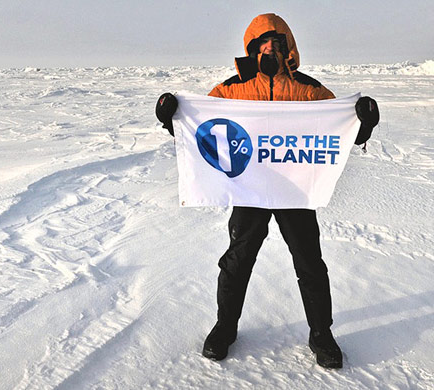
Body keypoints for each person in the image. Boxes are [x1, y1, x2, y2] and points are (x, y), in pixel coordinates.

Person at [155, 13, 380, 369]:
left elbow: (339, 133)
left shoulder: (310, 90)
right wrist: (172, 117)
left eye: (277, 42)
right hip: (249, 191)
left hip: (295, 193)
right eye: (263, 43)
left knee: (310, 263)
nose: (270, 49)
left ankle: (321, 333)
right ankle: (225, 327)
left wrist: (363, 123)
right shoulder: (232, 90)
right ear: (251, 47)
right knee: (237, 261)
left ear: (289, 46)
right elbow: (202, 131)